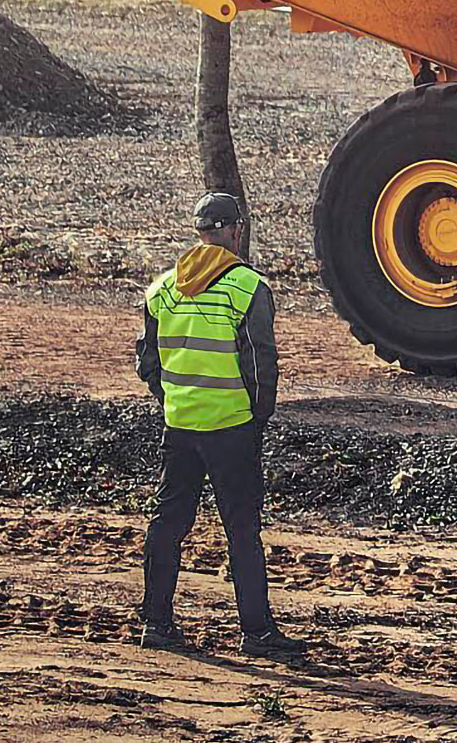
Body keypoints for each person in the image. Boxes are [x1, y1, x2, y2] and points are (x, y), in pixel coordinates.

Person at [135, 192, 303, 657]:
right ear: (236, 231)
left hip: (180, 426)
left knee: (168, 524)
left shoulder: (161, 289)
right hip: (231, 427)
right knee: (241, 530)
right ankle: (257, 632)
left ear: (198, 231)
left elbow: (147, 362)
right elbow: (260, 363)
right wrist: (256, 416)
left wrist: (174, 400)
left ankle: (157, 623)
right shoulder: (248, 288)